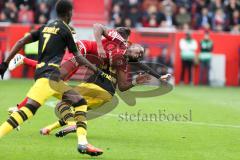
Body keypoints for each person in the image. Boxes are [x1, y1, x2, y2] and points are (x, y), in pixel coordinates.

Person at [0, 0, 106, 156]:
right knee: (28, 110)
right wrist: (95, 68)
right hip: (49, 77)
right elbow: (77, 56)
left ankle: (83, 143)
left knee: (79, 101)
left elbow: (21, 41)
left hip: (50, 77)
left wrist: (5, 63)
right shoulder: (66, 29)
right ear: (69, 13)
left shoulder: (44, 27)